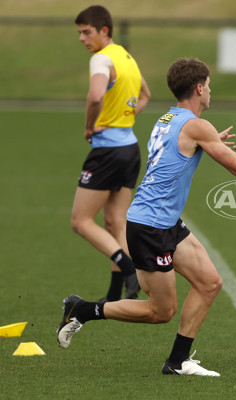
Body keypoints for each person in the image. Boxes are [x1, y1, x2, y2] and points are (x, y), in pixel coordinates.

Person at [57, 57, 236, 376]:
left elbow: (174, 150)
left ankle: (178, 361)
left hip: (164, 222)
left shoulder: (169, 118)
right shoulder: (197, 125)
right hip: (150, 226)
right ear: (199, 88)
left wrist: (210, 143)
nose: (210, 91)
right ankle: (83, 309)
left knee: (209, 283)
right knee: (160, 311)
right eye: (208, 86)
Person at [71, 5, 151, 302]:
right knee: (115, 222)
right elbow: (145, 95)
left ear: (104, 31)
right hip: (129, 148)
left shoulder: (101, 59)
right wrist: (126, 117)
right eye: (79, 32)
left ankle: (129, 267)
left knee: (80, 221)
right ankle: (117, 294)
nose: (81, 38)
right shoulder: (126, 57)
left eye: (86, 31)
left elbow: (95, 95)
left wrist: (90, 126)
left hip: (107, 150)